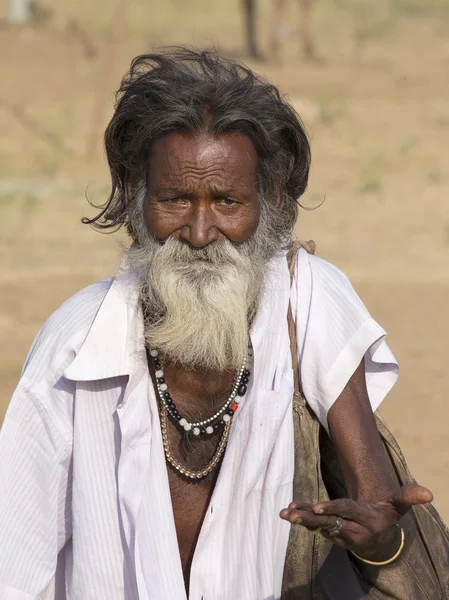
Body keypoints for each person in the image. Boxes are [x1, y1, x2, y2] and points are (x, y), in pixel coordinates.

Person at [0, 48, 433, 600]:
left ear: (270, 201)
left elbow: (378, 511)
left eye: (227, 201)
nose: (201, 233)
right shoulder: (74, 345)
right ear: (136, 195)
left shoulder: (308, 301)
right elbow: (14, 568)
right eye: (175, 199)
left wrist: (377, 539)